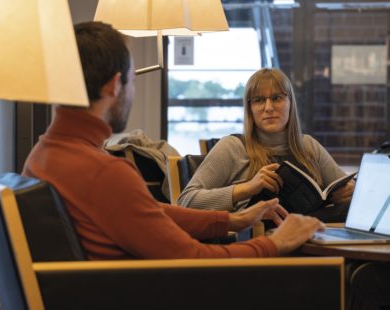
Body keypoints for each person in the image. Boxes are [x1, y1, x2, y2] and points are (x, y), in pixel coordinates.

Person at [23, 21, 324, 260]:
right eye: (133, 83)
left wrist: (232, 220)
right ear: (115, 85)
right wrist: (277, 245)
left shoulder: (43, 155)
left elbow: (147, 214)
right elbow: (192, 259)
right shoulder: (105, 173)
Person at [178, 68, 355, 216]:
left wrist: (348, 192)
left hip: (313, 240)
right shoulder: (233, 147)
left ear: (290, 103)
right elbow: (185, 202)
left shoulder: (308, 146)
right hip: (260, 244)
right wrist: (247, 188)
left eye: (277, 98)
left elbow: (348, 189)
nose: (268, 108)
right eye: (259, 100)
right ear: (250, 109)